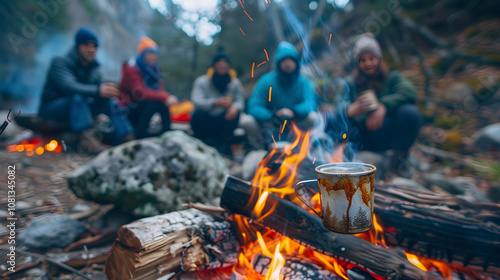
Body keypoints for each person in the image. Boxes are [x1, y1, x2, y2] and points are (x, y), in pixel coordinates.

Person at [327, 33, 421, 177]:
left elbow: (409, 92)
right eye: (362, 60)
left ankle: (397, 163)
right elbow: (337, 105)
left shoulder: (392, 77)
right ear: (357, 62)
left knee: (409, 112)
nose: (368, 63)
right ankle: (344, 156)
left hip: (385, 133)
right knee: (331, 118)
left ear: (379, 58)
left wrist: (384, 106)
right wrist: (350, 110)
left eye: (372, 58)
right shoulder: (350, 83)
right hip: (360, 136)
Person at [39, 27, 134, 153]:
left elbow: (98, 92)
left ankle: (126, 138)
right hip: (53, 108)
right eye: (87, 45)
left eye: (94, 46)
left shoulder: (94, 69)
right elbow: (69, 87)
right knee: (77, 98)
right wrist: (97, 91)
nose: (91, 50)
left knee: (110, 103)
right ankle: (89, 141)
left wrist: (108, 94)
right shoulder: (60, 63)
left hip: (80, 107)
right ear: (78, 46)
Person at [245, 41, 318, 149]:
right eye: (284, 60)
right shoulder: (266, 81)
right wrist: (272, 116)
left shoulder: (303, 81)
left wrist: (294, 112)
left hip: (296, 124)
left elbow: (311, 103)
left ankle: (305, 147)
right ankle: (262, 150)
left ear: (296, 62)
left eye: (291, 60)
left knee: (313, 117)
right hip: (271, 126)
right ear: (278, 63)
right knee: (247, 121)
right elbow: (253, 105)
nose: (287, 63)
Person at [119, 36, 178, 139]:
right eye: (150, 53)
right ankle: (139, 134)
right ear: (142, 54)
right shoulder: (132, 68)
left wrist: (165, 98)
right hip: (128, 109)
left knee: (161, 103)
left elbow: (159, 91)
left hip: (142, 108)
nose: (153, 56)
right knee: (155, 102)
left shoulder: (154, 71)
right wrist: (165, 97)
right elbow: (140, 92)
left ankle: (166, 132)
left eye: (155, 53)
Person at [190, 47, 245, 155]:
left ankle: (224, 148)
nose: (222, 65)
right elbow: (196, 101)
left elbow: (240, 100)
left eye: (225, 62)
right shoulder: (202, 82)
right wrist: (215, 102)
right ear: (214, 65)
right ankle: (201, 146)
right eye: (219, 62)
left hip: (224, 121)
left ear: (229, 65)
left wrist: (235, 107)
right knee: (198, 113)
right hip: (205, 120)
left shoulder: (234, 83)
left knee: (235, 113)